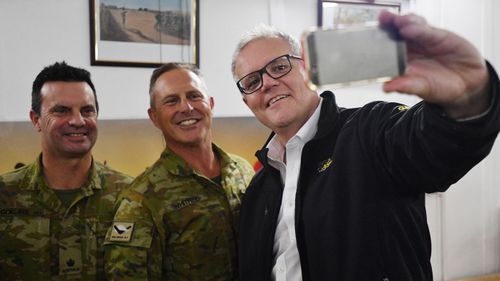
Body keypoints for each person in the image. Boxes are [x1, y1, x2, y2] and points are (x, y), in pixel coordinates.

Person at [231, 10, 500, 281]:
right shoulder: (258, 189)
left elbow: (431, 148)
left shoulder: (370, 131)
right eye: (252, 81)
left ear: (306, 68)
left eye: (279, 67)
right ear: (247, 101)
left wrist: (468, 97)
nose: (267, 83)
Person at [104, 63, 255, 280]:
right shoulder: (141, 200)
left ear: (210, 104)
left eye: (194, 96)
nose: (186, 107)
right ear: (154, 117)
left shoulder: (243, 172)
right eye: (171, 101)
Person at [0, 61, 133, 280]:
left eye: (87, 110)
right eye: (61, 111)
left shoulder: (130, 197)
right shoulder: (5, 195)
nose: (78, 121)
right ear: (36, 120)